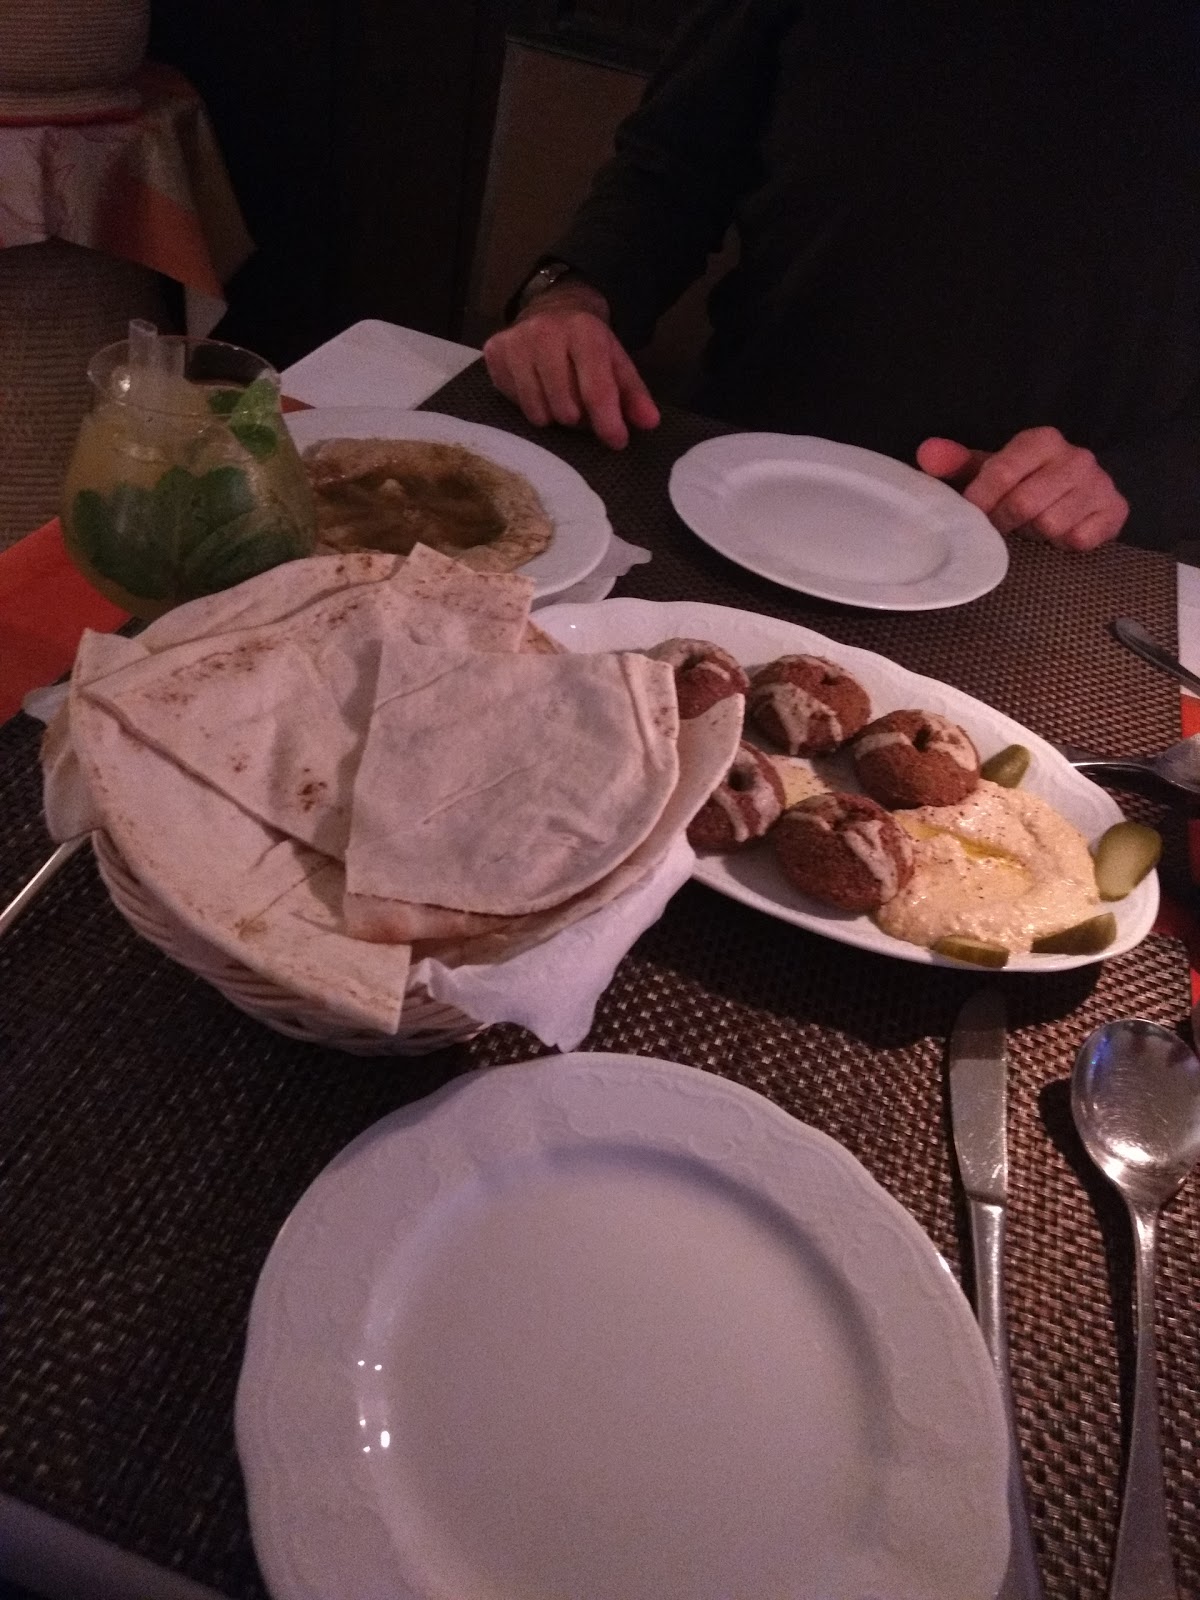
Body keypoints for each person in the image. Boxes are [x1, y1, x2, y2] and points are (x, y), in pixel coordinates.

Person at [484, 0, 1200, 554]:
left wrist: (1138, 483)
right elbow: (675, 167)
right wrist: (569, 293)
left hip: (1056, 551)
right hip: (740, 477)